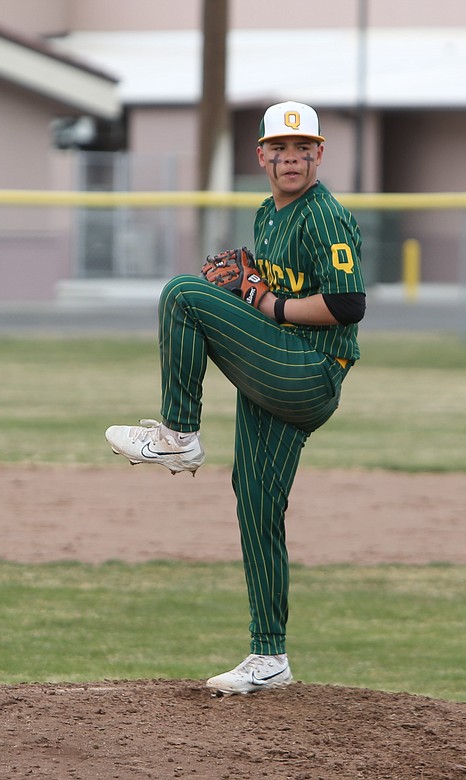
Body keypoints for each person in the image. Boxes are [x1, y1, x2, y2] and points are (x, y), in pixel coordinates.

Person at [105, 100, 366, 695]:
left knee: (182, 294)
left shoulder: (325, 218)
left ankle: (177, 435)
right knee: (256, 504)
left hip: (308, 369)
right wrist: (258, 291)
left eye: (303, 149)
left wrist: (265, 303)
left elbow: (348, 304)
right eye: (280, 148)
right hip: (275, 363)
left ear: (319, 154)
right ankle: (269, 656)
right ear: (262, 155)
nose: (290, 159)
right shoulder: (266, 214)